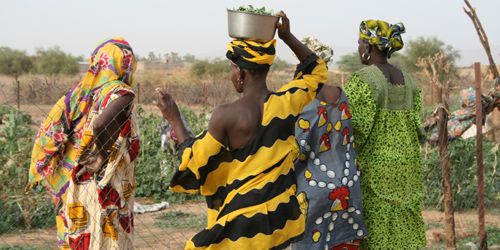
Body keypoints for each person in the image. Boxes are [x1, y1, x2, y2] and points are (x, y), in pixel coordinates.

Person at [156, 12, 327, 249]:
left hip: (241, 228)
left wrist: (175, 118)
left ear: (241, 72)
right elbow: (316, 71)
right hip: (277, 220)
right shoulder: (288, 102)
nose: (231, 75)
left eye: (232, 69)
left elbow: (196, 162)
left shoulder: (226, 115)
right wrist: (287, 36)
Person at [28, 38, 139, 250]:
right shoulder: (121, 93)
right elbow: (99, 124)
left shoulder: (81, 93)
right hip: (104, 184)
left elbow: (54, 131)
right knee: (104, 239)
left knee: (80, 237)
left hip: (75, 180)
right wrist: (101, 156)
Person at [343, 20, 426, 248]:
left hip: (376, 170)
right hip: (408, 167)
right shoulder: (408, 80)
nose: (359, 48)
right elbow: (417, 127)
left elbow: (353, 127)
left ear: (369, 47)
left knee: (377, 228)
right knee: (406, 225)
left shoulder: (364, 79)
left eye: (360, 43)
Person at [292, 40, 367, 249]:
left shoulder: (300, 100)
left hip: (313, 190)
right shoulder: (341, 95)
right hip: (348, 184)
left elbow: (297, 150)